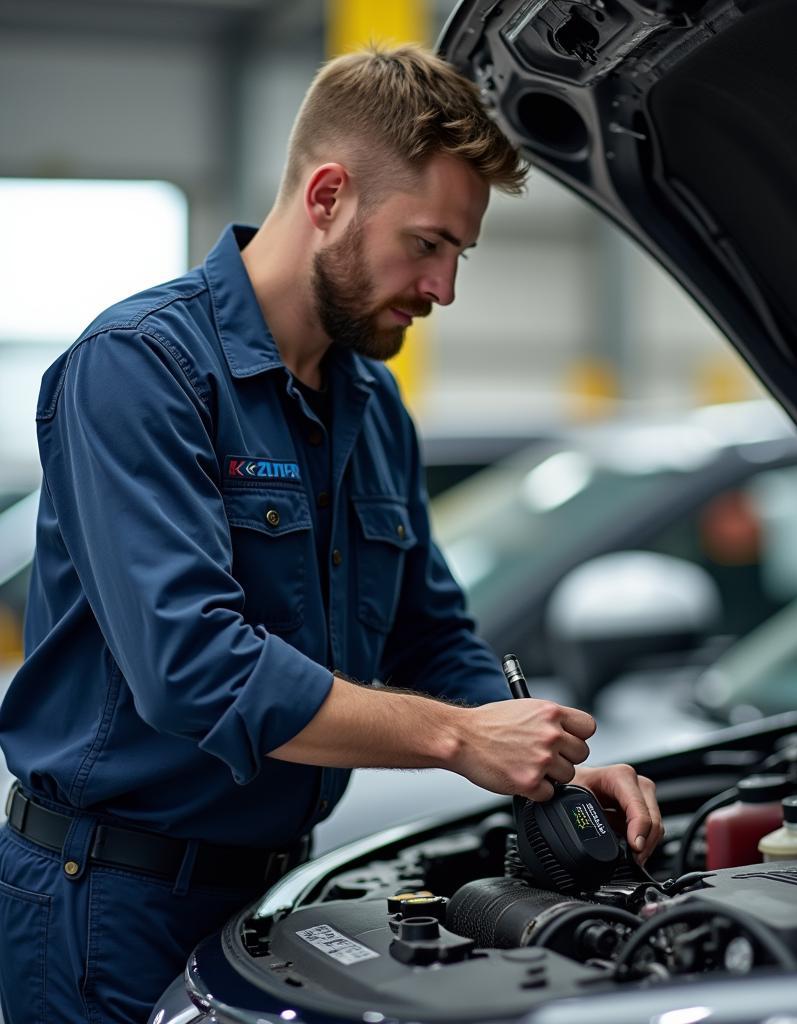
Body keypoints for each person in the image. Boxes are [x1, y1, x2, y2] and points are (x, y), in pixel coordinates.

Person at [0, 44, 664, 1023]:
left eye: (460, 255)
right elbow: (194, 668)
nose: (443, 289)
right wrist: (459, 738)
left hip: (268, 900)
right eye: (428, 243)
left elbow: (430, 634)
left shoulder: (371, 402)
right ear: (327, 195)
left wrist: (548, 771)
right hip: (105, 902)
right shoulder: (139, 370)